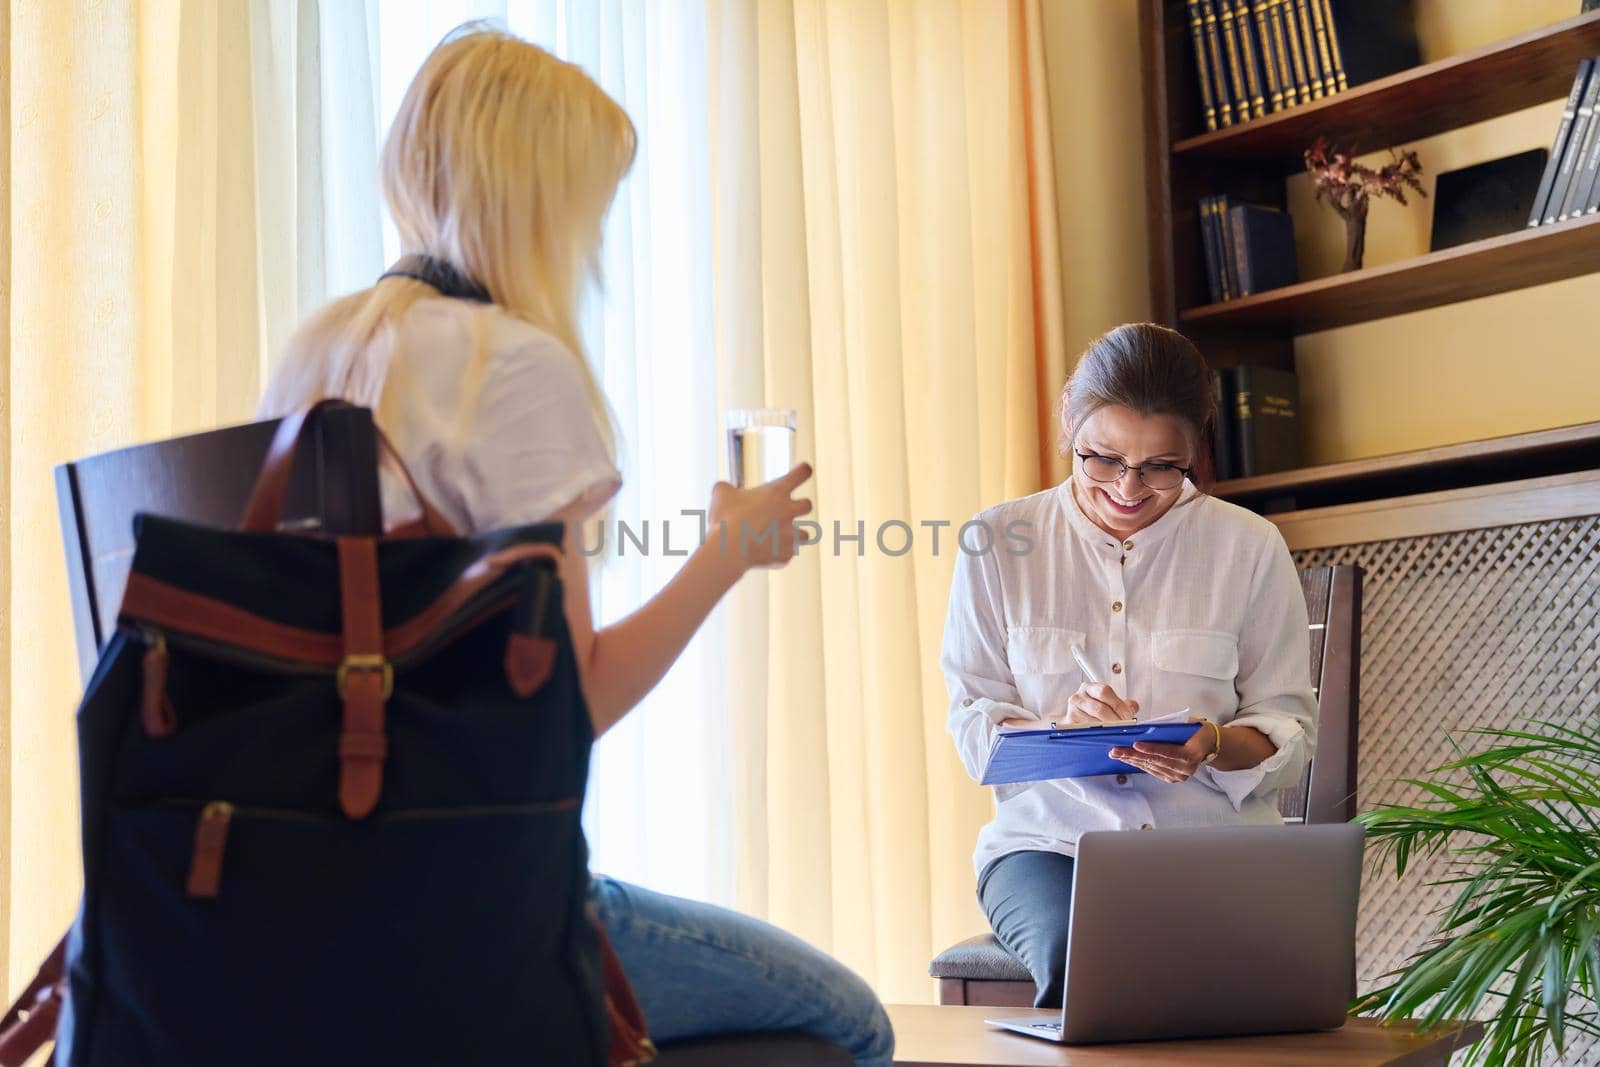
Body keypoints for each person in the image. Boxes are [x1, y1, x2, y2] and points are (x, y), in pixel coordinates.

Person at [259, 26, 893, 1065]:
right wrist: (724, 553)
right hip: (481, 898)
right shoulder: (508, 368)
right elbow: (569, 706)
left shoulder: (319, 350)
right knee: (851, 1018)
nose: (597, 236)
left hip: (317, 888)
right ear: (538, 198)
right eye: (592, 204)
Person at [941, 322, 1317, 1008]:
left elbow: (1288, 729)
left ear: (1195, 450)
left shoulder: (1250, 547)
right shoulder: (996, 543)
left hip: (1215, 846)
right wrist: (1060, 727)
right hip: (1052, 845)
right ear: (1068, 424)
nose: (1129, 487)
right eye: (1104, 458)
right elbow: (974, 729)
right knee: (1086, 956)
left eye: (1161, 466)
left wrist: (1212, 743)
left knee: (1267, 986)